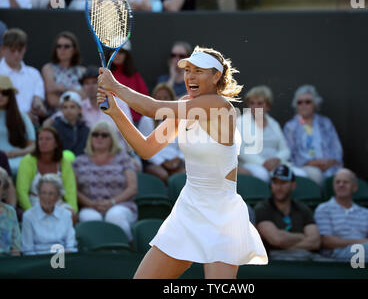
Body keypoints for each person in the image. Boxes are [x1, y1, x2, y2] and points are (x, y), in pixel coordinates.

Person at [97, 46, 267, 278]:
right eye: (188, 70)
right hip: (188, 209)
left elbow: (154, 109)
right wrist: (116, 112)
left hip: (223, 215)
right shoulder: (186, 106)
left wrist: (114, 86)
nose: (190, 76)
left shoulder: (218, 106)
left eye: (198, 70)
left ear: (216, 76)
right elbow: (146, 149)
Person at [72, 120, 138, 240]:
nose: (99, 138)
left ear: (112, 138)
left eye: (104, 135)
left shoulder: (124, 159)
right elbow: (74, 190)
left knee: (114, 216)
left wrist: (111, 202)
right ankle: (97, 254)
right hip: (90, 206)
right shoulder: (79, 161)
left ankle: (124, 249)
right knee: (90, 219)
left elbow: (132, 188)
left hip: (120, 205)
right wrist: (91, 204)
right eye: (95, 134)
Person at [314, 168, 368, 262]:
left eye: (345, 182)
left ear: (355, 187)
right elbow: (326, 241)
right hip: (336, 256)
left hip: (361, 255)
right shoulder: (323, 209)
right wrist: (363, 242)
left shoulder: (365, 212)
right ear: (333, 186)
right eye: (337, 182)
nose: (341, 185)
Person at [237, 85, 304, 183]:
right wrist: (263, 163)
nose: (255, 107)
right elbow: (241, 150)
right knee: (263, 175)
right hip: (251, 165)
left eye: (260, 103)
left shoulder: (274, 123)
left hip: (277, 164)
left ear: (268, 106)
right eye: (252, 103)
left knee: (302, 175)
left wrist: (277, 159)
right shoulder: (240, 122)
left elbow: (285, 149)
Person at [255, 164, 321, 261]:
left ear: (293, 185)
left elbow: (315, 241)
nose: (279, 187)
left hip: (307, 257)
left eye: (283, 182)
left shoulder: (302, 208)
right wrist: (303, 236)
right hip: (277, 260)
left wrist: (286, 242)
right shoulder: (263, 207)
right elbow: (276, 239)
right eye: (275, 182)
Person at [0, 28, 47, 126]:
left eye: (20, 50)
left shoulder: (34, 73)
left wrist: (38, 108)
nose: (16, 54)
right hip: (0, 124)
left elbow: (38, 101)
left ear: (25, 49)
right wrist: (23, 116)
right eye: (12, 51)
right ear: (3, 49)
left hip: (28, 125)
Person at [283, 84, 343, 186]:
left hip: (329, 165)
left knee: (343, 177)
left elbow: (336, 147)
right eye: (300, 102)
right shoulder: (291, 127)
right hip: (305, 167)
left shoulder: (325, 123)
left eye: (308, 102)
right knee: (316, 174)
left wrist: (330, 162)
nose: (303, 105)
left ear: (315, 104)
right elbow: (289, 154)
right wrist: (310, 163)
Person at [16, 126, 78, 215]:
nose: (43, 142)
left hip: (58, 203)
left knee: (71, 215)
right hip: (35, 202)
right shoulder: (27, 161)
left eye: (48, 139)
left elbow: (70, 190)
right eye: (40, 139)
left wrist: (74, 211)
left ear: (56, 143)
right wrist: (30, 212)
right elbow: (21, 191)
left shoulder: (64, 161)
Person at [0, 75, 35, 175]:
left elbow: (32, 145)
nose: (0, 96)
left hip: (17, 159)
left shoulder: (22, 117)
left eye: (5, 93)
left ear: (10, 96)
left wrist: (18, 152)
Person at [138, 83, 185, 184]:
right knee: (163, 175)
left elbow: (185, 144)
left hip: (176, 161)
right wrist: (162, 163)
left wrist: (179, 159)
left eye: (165, 98)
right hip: (153, 161)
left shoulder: (180, 119)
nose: (162, 101)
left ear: (172, 100)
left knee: (182, 174)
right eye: (158, 98)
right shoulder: (147, 120)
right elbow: (144, 147)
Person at [21, 173, 77, 255]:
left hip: (62, 260)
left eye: (51, 194)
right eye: (43, 193)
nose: (46, 197)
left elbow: (71, 245)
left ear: (58, 196)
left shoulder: (66, 215)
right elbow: (28, 250)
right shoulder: (28, 216)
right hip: (38, 261)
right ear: (38, 195)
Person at [41, 31, 85, 111]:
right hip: (56, 116)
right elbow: (51, 98)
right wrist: (74, 91)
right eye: (59, 46)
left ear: (74, 49)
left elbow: (85, 96)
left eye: (66, 46)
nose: (62, 49)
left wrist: (60, 88)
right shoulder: (48, 68)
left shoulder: (82, 71)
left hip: (80, 116)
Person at [110, 41, 149, 125]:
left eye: (120, 52)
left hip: (135, 123)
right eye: (113, 50)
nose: (116, 54)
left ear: (126, 55)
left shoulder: (135, 76)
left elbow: (145, 99)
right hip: (112, 121)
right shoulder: (106, 75)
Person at [51, 91, 89, 156]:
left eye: (72, 107)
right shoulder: (55, 128)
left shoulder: (85, 129)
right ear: (61, 110)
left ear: (80, 109)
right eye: (65, 107)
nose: (69, 110)